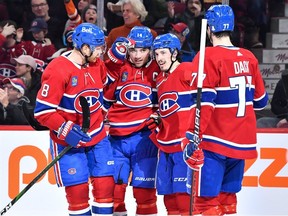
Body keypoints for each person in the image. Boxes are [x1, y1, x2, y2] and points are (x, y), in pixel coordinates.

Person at [182, 5, 268, 215]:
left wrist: (192, 138)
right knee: (228, 200)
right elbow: (261, 102)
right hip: (241, 142)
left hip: (214, 142)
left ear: (210, 29)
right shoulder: (249, 57)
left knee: (205, 202)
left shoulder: (208, 57)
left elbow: (205, 104)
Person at [34, 23, 115, 216]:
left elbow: (103, 91)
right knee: (78, 196)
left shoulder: (97, 64)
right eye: (97, 48)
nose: (101, 52)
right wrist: (65, 128)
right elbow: (43, 111)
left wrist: (103, 111)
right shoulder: (58, 69)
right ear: (84, 47)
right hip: (67, 142)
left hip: (97, 136)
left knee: (106, 190)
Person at [104, 26, 160, 215]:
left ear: (150, 50)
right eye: (134, 49)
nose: (137, 55)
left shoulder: (158, 70)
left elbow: (169, 101)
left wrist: (159, 116)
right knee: (114, 193)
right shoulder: (118, 69)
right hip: (116, 140)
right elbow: (104, 101)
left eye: (143, 50)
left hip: (145, 140)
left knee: (144, 194)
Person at [149, 33, 196, 215]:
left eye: (163, 53)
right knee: (169, 200)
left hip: (183, 146)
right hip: (166, 146)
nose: (159, 58)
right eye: (157, 54)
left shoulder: (186, 69)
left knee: (183, 200)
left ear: (174, 53)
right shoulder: (160, 79)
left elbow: (205, 94)